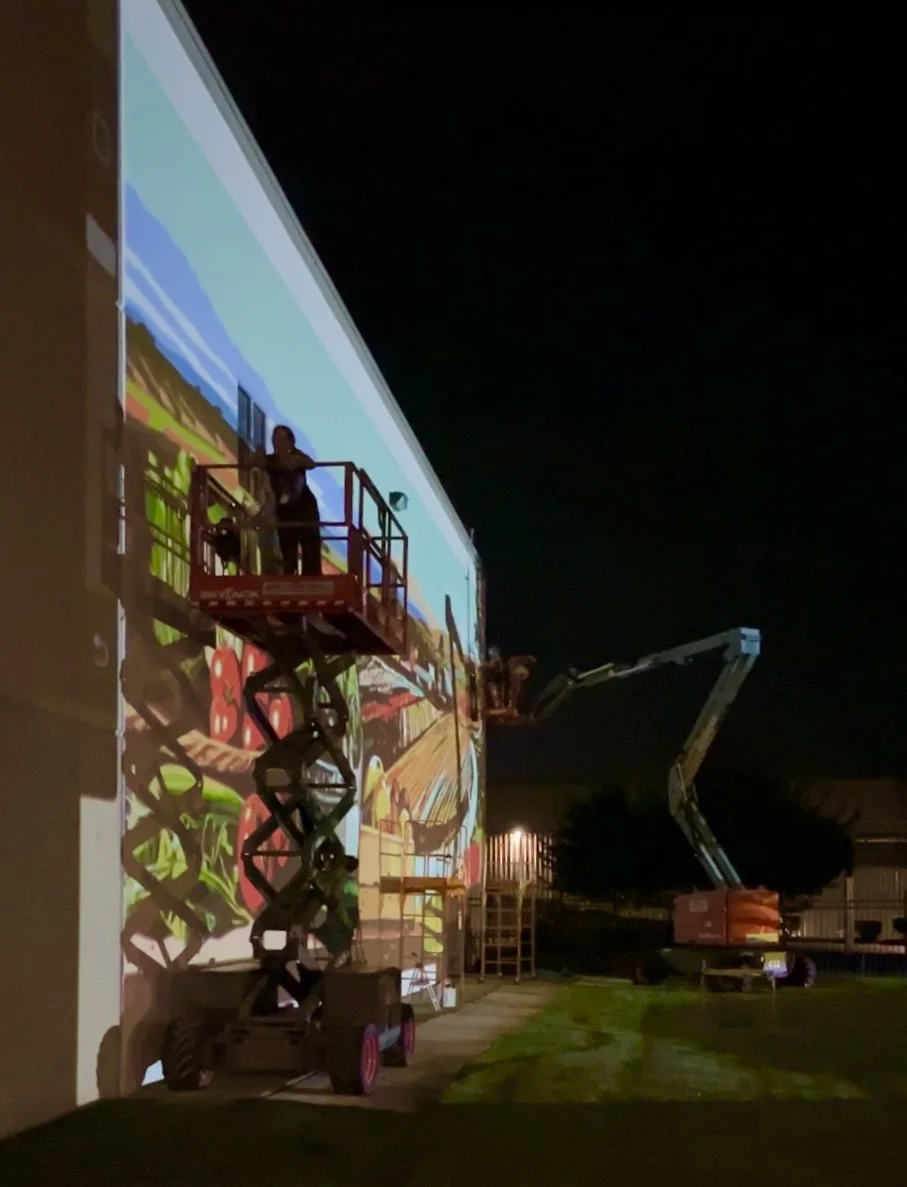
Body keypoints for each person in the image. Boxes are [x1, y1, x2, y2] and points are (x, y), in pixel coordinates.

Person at [255, 425, 322, 576]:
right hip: (285, 509)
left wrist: (297, 461)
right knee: (287, 545)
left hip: (305, 507)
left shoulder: (296, 455)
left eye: (284, 438)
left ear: (291, 442)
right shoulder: (271, 460)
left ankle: (311, 578)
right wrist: (258, 455)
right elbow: (256, 461)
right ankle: (288, 576)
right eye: (277, 438)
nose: (280, 442)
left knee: (310, 546)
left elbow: (311, 464)